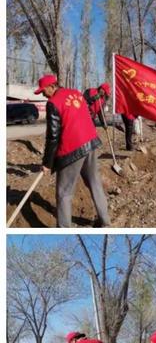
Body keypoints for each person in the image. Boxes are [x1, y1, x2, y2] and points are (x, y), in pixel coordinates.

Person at [34, 74, 111, 228]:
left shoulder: (53, 103)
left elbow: (53, 136)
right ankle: (105, 222)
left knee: (64, 193)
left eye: (44, 91)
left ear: (52, 86)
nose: (43, 94)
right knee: (95, 182)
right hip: (90, 142)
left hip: (72, 149)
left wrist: (47, 163)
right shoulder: (75, 93)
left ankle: (63, 229)